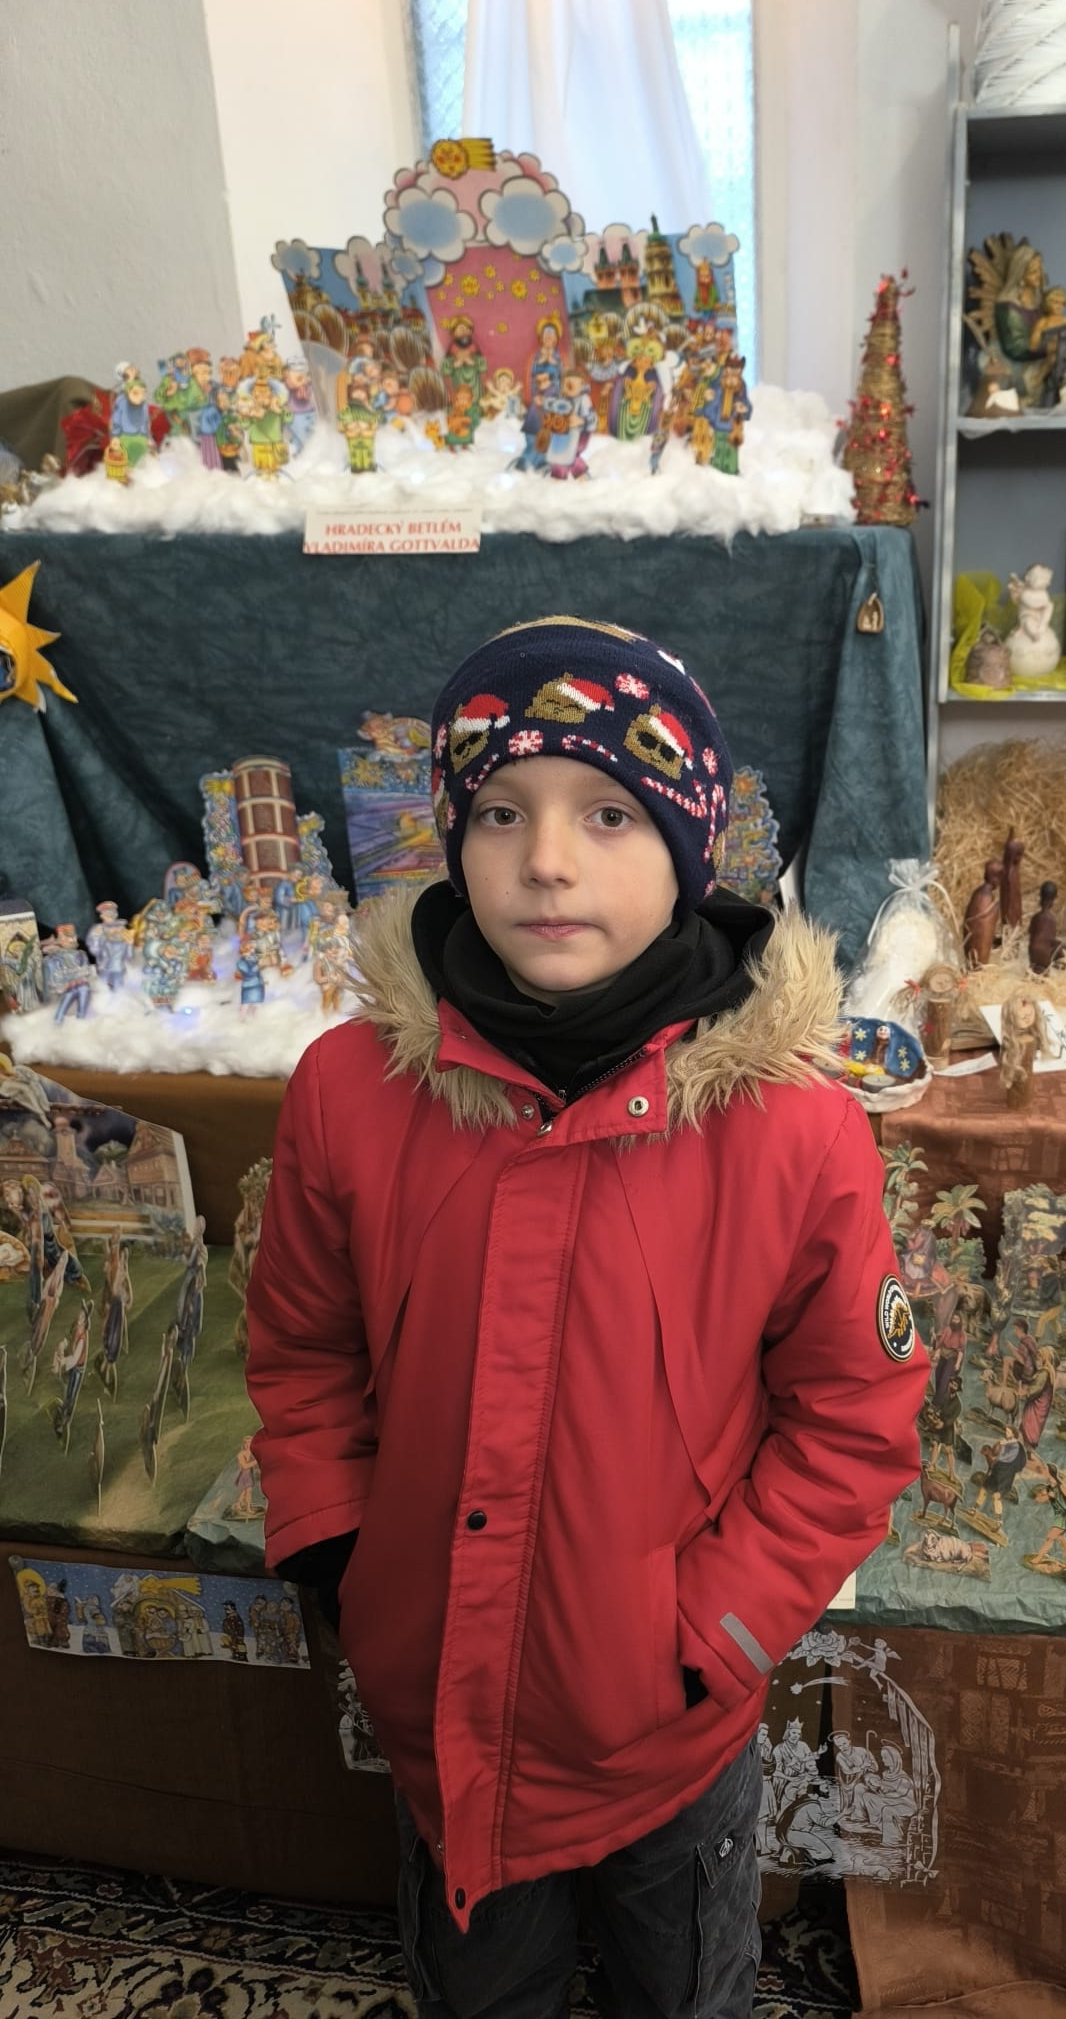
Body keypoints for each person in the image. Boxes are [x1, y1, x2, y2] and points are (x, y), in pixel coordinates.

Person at [245, 616, 927, 2019]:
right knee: (477, 1990)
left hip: (666, 1724)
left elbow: (853, 1419)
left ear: (689, 847)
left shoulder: (792, 1130)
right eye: (501, 811)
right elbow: (304, 1349)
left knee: (684, 1989)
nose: (546, 861)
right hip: (441, 1701)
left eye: (609, 814)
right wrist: (342, 1546)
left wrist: (714, 1632)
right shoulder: (349, 1091)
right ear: (454, 837)